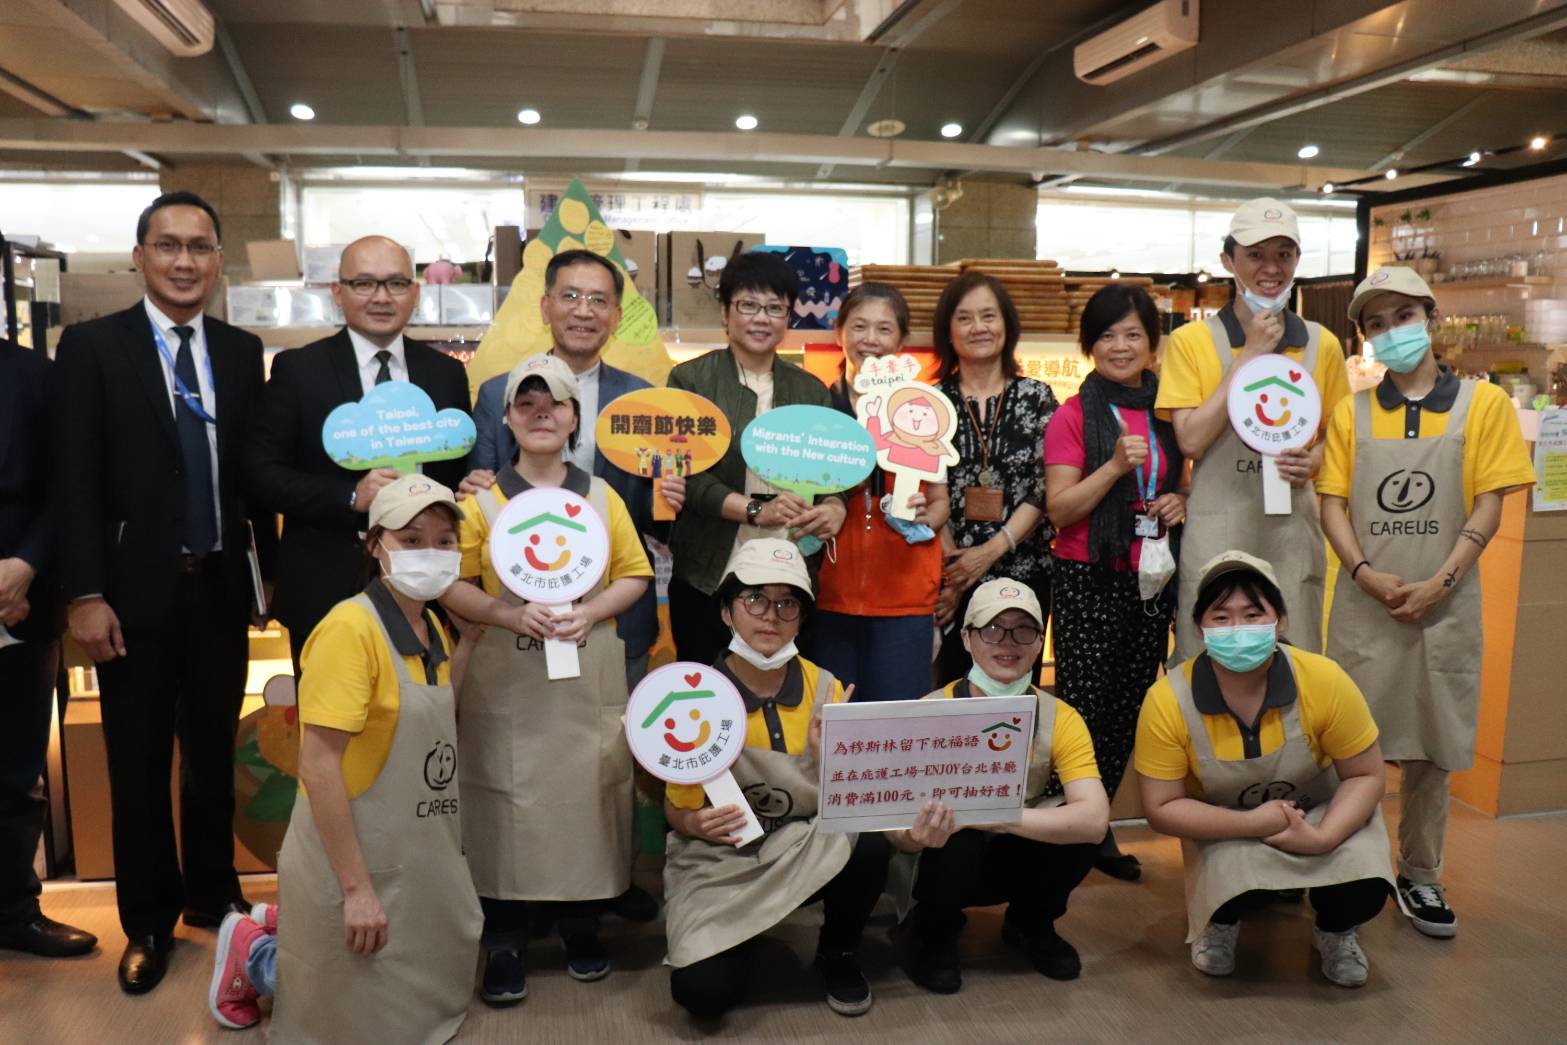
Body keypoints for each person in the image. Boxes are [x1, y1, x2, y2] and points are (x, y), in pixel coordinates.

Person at [50, 190, 275, 993]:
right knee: (137, 760)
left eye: (201, 247)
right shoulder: (91, 348)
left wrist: (265, 576)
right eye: (169, 245)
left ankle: (213, 895)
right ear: (139, 255)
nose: (185, 261)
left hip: (216, 586)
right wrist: (83, 591)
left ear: (220, 259)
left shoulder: (242, 351)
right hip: (130, 594)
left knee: (213, 756)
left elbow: (250, 476)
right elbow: (71, 479)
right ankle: (147, 918)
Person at [1318, 267, 1535, 939]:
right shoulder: (1349, 411)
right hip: (1365, 604)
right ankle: (1351, 871)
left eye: (1402, 315)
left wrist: (1440, 580)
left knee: (1432, 748)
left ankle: (1419, 874)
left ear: (1430, 316)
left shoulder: (1482, 404)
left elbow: (1489, 501)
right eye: (1374, 324)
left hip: (1444, 603)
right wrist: (1362, 573)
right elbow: (1330, 501)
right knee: (1352, 747)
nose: (1390, 332)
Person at [455, 354, 654, 1001]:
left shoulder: (602, 496)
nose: (542, 415)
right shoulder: (481, 503)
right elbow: (452, 582)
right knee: (501, 795)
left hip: (584, 665)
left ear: (575, 416)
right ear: (508, 417)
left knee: (588, 792)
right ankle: (505, 936)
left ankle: (581, 924)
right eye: (527, 404)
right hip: (505, 669)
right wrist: (508, 612)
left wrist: (588, 611)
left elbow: (634, 571)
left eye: (557, 404)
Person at [261, 475, 482, 1041]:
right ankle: (252, 957)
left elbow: (438, 708)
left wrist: (471, 643)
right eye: (411, 540)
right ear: (375, 545)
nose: (430, 553)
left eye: (443, 541)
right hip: (352, 851)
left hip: (408, 842)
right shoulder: (349, 629)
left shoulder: (430, 621)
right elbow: (318, 765)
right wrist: (357, 891)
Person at [1134, 551, 1393, 988]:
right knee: (1234, 880)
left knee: (1365, 873)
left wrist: (1322, 836)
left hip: (1317, 811)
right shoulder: (1167, 699)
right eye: (1222, 617)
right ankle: (1220, 925)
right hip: (1227, 822)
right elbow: (1160, 807)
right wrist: (1252, 822)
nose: (1239, 630)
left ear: (1281, 622)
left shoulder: (1324, 679)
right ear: (1200, 629)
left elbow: (1367, 775)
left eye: (1254, 614)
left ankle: (1336, 930)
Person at [664, 538, 890, 1020]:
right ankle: (742, 934)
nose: (771, 616)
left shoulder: (827, 687)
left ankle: (839, 953)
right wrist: (693, 826)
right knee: (702, 994)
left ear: (802, 618)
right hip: (722, 860)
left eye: (788, 604)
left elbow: (855, 803)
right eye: (755, 599)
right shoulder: (693, 695)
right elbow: (675, 809)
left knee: (869, 842)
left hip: (802, 842)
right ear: (727, 612)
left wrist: (828, 760)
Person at [249, 235, 470, 672]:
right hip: (327, 583)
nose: (381, 297)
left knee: (423, 717)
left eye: (396, 284)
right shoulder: (299, 371)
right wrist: (350, 496)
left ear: (416, 293)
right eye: (364, 283)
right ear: (338, 292)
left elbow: (456, 470)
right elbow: (260, 474)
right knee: (333, 725)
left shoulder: (445, 375)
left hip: (428, 589)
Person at [1155, 198, 1350, 662]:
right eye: (1256, 254)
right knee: (1209, 650)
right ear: (1229, 261)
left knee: (1296, 655)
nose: (1271, 268)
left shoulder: (1322, 344)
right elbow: (1191, 439)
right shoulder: (1191, 342)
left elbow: (1340, 439)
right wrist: (1248, 358)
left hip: (1290, 529)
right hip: (1218, 524)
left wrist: (1315, 459)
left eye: (1284, 254)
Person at [466, 248, 665, 691]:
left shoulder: (643, 402)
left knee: (607, 744)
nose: (583, 310)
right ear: (545, 306)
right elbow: (480, 490)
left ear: (615, 315)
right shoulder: (498, 391)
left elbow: (651, 526)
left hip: (613, 614)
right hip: (517, 615)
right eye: (570, 295)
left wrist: (668, 500)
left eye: (597, 300)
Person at [902, 579, 1108, 994]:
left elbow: (1094, 819)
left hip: (1014, 845)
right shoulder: (928, 712)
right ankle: (935, 932)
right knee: (954, 840)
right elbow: (897, 831)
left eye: (1023, 630)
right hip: (948, 859)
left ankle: (1030, 925)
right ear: (967, 638)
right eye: (992, 629)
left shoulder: (1062, 716)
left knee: (1078, 835)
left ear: (1039, 641)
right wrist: (913, 836)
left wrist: (995, 816)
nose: (1007, 642)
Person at [1044, 284, 1186, 882]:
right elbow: (1061, 508)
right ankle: (1060, 826)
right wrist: (1114, 467)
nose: (1120, 346)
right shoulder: (1073, 415)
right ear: (1089, 346)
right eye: (1106, 335)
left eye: (1133, 334)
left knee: (1128, 706)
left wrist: (1181, 498)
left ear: (1153, 344)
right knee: (1082, 709)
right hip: (1087, 577)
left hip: (1152, 579)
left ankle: (1096, 831)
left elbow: (1189, 478)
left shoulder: (1175, 410)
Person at [666, 250, 846, 665]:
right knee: (707, 688)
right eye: (747, 305)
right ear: (726, 313)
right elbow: (686, 476)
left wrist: (836, 508)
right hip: (710, 571)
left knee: (784, 694)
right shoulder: (691, 379)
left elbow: (835, 478)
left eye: (774, 308)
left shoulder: (812, 391)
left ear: (788, 317)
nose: (760, 318)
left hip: (790, 573)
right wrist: (754, 511)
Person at [0, 335, 96, 959]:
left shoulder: (33, 375)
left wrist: (26, 564)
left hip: (17, 599)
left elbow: (69, 485)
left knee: (14, 769)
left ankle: (13, 910)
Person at [809, 283, 948, 702]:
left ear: (902, 341)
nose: (871, 339)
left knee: (896, 729)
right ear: (839, 333)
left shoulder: (920, 408)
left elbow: (941, 502)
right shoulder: (818, 408)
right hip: (826, 598)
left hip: (905, 601)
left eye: (884, 329)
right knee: (832, 725)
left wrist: (929, 514)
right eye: (859, 326)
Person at [931, 271, 1056, 683]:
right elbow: (923, 481)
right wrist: (954, 570)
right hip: (950, 581)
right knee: (954, 690)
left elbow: (1045, 487)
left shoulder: (1037, 397)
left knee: (1017, 693)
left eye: (989, 315)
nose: (978, 327)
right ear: (948, 330)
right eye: (964, 318)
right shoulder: (930, 401)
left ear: (1007, 325)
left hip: (1025, 570)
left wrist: (990, 552)